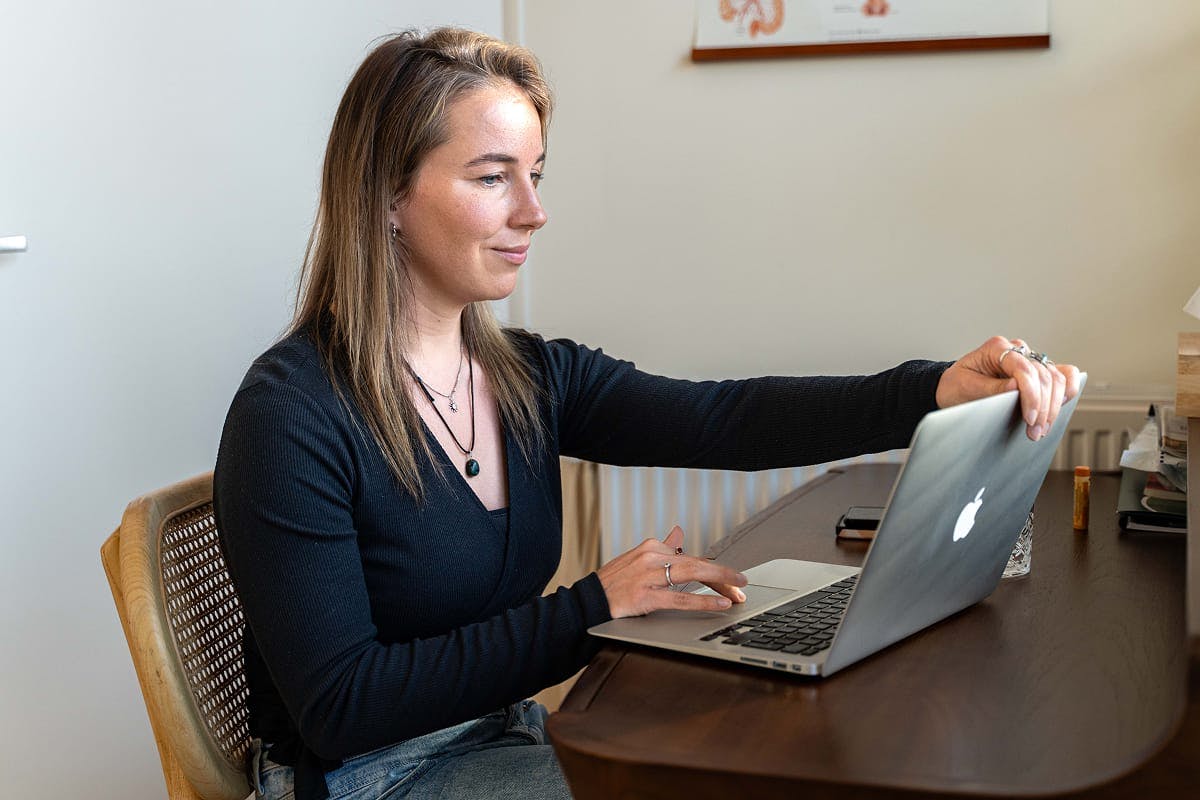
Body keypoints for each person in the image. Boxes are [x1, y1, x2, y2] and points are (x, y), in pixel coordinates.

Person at [213, 27, 1080, 800]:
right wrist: (592, 607)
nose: (533, 211)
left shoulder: (526, 377)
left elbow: (728, 419)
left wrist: (934, 389)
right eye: (492, 177)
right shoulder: (292, 414)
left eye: (536, 174)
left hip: (502, 730)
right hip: (367, 773)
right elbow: (339, 707)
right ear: (387, 198)